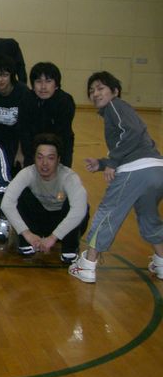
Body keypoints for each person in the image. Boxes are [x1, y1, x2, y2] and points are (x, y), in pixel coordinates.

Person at [68, 72, 163, 283]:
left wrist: (112, 162)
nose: (95, 94)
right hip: (156, 170)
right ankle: (162, 263)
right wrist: (103, 163)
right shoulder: (120, 109)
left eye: (100, 88)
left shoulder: (114, 106)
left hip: (135, 170)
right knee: (148, 216)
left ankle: (87, 265)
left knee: (107, 213)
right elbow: (134, 142)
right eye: (91, 91)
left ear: (115, 91)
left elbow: (132, 132)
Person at [1, 133, 89, 263]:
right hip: (38, 222)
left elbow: (79, 210)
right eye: (40, 157)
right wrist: (26, 233)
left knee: (80, 205)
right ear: (34, 158)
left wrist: (53, 237)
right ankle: (27, 241)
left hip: (61, 222)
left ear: (58, 159)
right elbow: (6, 204)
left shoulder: (69, 177)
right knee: (21, 195)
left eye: (51, 158)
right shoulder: (27, 173)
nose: (44, 163)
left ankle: (70, 247)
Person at [17, 62, 75, 167]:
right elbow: (24, 131)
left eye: (48, 81)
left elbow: (64, 134)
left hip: (60, 150)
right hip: (32, 150)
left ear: (56, 85)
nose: (43, 87)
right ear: (33, 85)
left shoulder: (65, 101)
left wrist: (61, 162)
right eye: (38, 81)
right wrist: (26, 155)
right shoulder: (26, 100)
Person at [0, 55, 30, 172]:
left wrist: (20, 152)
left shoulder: (22, 91)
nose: (0, 79)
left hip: (17, 139)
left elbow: (25, 126)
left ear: (11, 76)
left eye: (4, 75)